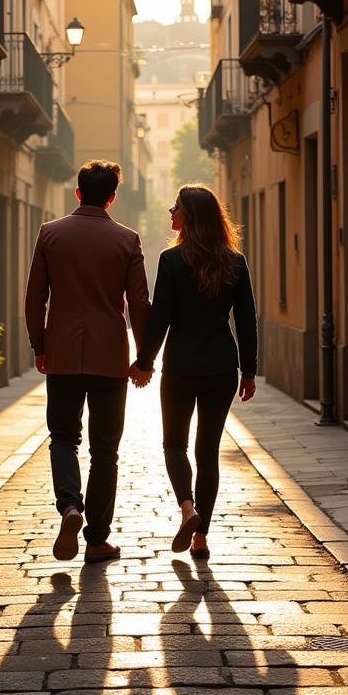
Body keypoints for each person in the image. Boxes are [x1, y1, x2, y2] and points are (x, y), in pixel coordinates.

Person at [25, 160, 151, 564]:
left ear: (77, 192)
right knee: (105, 449)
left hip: (62, 352)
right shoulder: (128, 240)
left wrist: (39, 345)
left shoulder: (50, 234)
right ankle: (97, 539)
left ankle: (69, 508)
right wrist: (144, 357)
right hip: (110, 357)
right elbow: (139, 303)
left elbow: (34, 298)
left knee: (63, 437)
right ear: (112, 196)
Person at [129, 184, 257, 559]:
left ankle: (188, 509)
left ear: (191, 216)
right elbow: (247, 321)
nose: (171, 212)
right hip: (221, 366)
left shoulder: (171, 261)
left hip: (182, 365)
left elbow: (161, 319)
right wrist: (249, 371)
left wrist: (145, 362)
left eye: (176, 208)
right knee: (208, 452)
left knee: (174, 444)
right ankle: (202, 537)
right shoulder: (234, 261)